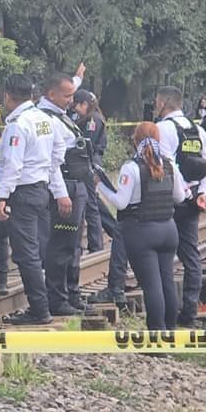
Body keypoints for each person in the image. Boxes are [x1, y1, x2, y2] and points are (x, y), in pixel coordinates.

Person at [0, 73, 68, 325]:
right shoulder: (45, 120)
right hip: (38, 189)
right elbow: (58, 154)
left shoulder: (18, 125)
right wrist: (56, 186)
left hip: (20, 192)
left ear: (8, 96)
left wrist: (2, 197)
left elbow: (13, 165)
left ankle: (40, 310)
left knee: (26, 252)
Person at [95, 123, 188, 330]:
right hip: (169, 230)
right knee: (167, 283)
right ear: (158, 140)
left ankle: (157, 336)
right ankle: (171, 332)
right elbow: (180, 197)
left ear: (135, 140)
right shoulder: (169, 164)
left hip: (142, 232)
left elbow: (121, 202)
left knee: (152, 287)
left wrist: (100, 185)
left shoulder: (132, 168)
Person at [155, 85, 206, 326]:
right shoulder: (197, 129)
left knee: (162, 257)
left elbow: (167, 165)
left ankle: (166, 313)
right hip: (192, 202)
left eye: (156, 101)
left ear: (163, 102)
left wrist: (183, 194)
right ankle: (189, 312)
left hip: (169, 202)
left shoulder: (162, 129)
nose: (155, 105)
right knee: (191, 257)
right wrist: (202, 194)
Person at [40, 73, 92, 315]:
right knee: (61, 245)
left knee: (74, 245)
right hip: (65, 187)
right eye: (67, 95)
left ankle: (72, 293)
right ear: (51, 94)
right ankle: (58, 299)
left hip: (77, 184)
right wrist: (61, 193)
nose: (72, 100)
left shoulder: (61, 117)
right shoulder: (47, 119)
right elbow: (52, 162)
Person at [71, 89, 128, 307]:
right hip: (84, 167)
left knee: (92, 208)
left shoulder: (94, 120)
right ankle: (112, 232)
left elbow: (88, 144)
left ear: (86, 104)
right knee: (94, 207)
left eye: (78, 104)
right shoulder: (84, 117)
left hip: (88, 167)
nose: (75, 108)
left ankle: (97, 245)